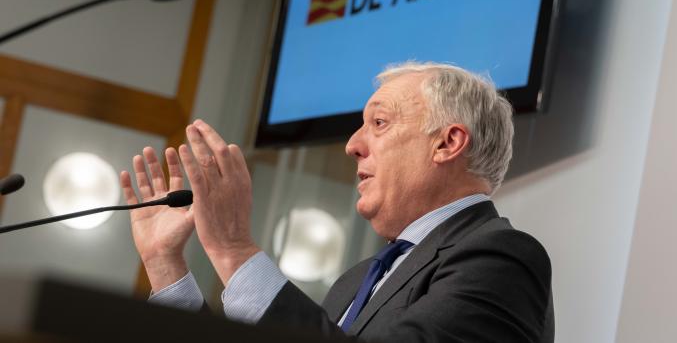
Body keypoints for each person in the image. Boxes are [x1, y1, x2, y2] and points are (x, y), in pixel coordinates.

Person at [120, 62, 553, 342]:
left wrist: (234, 251)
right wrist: (165, 266)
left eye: (379, 123)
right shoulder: (358, 279)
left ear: (447, 143)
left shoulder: (503, 258)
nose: (351, 146)